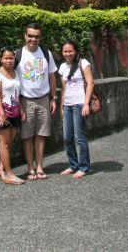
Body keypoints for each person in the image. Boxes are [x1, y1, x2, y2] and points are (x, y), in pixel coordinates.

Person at [0, 22, 57, 181]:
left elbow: (52, 76)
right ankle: (29, 168)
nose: (33, 39)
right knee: (27, 136)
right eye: (30, 36)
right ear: (25, 36)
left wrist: (53, 98)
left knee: (41, 134)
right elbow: (3, 72)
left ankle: (39, 166)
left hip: (43, 99)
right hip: (24, 101)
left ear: (40, 37)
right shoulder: (18, 54)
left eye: (36, 36)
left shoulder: (47, 53)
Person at [58, 39, 94, 179]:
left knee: (79, 137)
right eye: (65, 51)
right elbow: (64, 89)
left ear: (76, 51)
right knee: (67, 137)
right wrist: (61, 106)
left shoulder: (83, 63)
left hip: (79, 103)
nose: (68, 54)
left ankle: (84, 166)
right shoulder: (62, 67)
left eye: (70, 51)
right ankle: (73, 164)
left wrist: (86, 104)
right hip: (68, 105)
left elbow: (90, 83)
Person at [0, 46, 26, 185]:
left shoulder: (16, 73)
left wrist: (21, 109)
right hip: (3, 113)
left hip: (15, 111)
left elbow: (17, 93)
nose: (9, 61)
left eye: (11, 58)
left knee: (10, 142)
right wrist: (2, 113)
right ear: (0, 59)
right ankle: (9, 174)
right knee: (4, 143)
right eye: (6, 58)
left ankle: (1, 169)